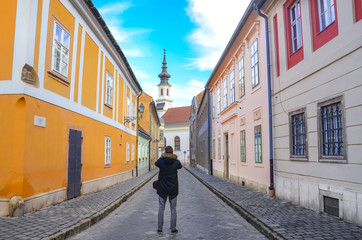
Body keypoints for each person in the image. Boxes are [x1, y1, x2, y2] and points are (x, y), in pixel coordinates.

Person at [155, 146, 182, 234]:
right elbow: (180, 166)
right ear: (172, 152)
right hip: (173, 188)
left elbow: (156, 163)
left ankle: (159, 228)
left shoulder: (161, 161)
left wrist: (162, 156)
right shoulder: (176, 162)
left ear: (165, 152)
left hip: (162, 188)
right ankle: (173, 228)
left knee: (161, 208)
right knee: (173, 208)